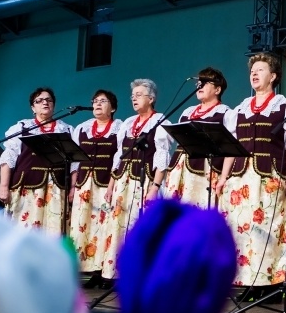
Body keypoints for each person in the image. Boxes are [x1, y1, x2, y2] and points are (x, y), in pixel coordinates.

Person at [215, 53, 286, 300]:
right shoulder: (240, 108)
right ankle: (248, 281)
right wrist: (223, 177)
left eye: (260, 69)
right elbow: (232, 146)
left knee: (268, 230)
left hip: (269, 176)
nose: (254, 73)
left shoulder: (284, 105)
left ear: (273, 76)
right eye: (252, 70)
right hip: (241, 178)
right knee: (243, 230)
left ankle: (270, 284)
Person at [102, 79, 173, 285]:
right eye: (133, 95)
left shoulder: (159, 121)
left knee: (143, 226)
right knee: (120, 226)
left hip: (145, 181)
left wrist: (155, 187)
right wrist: (110, 186)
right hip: (124, 182)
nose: (134, 98)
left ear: (151, 99)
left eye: (139, 94)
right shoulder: (127, 123)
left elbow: (162, 156)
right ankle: (119, 272)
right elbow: (119, 156)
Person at [0, 87, 74, 235]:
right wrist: (3, 186)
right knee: (22, 232)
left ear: (54, 105)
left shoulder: (66, 129)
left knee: (53, 234)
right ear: (33, 107)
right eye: (39, 100)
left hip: (56, 189)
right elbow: (8, 157)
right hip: (26, 188)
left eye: (48, 100)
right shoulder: (21, 127)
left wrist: (73, 188)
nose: (45, 103)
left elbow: (75, 163)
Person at [68, 89, 122, 288]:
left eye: (103, 101)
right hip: (84, 185)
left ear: (113, 107)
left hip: (106, 185)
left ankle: (104, 271)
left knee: (105, 227)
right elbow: (74, 161)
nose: (97, 104)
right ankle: (89, 271)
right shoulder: (82, 128)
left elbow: (119, 159)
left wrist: (113, 186)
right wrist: (73, 186)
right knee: (84, 226)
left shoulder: (119, 127)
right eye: (95, 101)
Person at [162, 68, 230, 207]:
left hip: (205, 170)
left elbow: (229, 148)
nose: (199, 85)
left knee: (199, 208)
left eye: (205, 82)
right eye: (199, 82)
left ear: (217, 90)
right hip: (180, 168)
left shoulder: (225, 113)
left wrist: (223, 176)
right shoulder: (187, 112)